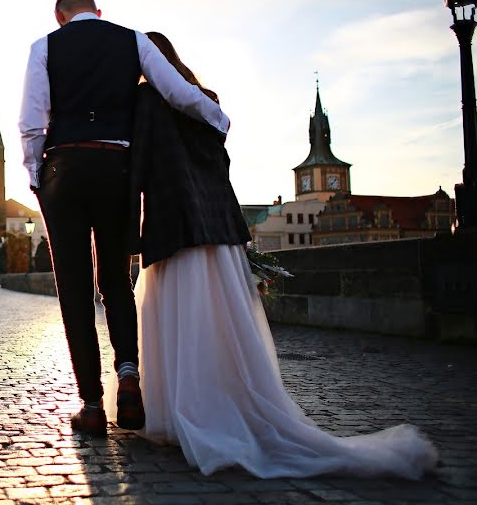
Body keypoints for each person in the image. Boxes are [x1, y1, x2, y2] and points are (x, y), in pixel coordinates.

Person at [100, 31, 438, 479]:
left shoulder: (145, 103)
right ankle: (226, 404)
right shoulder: (206, 99)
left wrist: (126, 238)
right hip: (219, 232)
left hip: (173, 229)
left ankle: (183, 413)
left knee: (181, 324)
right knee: (221, 329)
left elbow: (137, 167)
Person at [19, 0, 228, 435]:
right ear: (99, 12)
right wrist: (217, 117)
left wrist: (37, 175)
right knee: (114, 277)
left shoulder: (45, 47)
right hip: (116, 167)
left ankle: (92, 405)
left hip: (64, 167)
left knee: (73, 287)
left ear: (59, 17)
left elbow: (32, 122)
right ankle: (129, 376)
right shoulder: (132, 40)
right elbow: (175, 91)